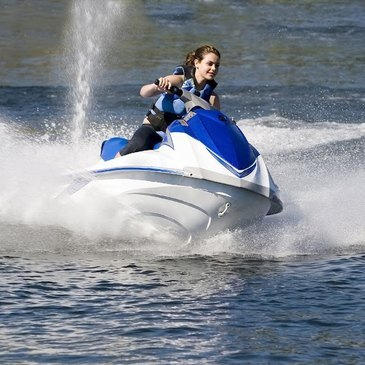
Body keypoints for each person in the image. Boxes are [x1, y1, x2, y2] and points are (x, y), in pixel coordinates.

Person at [115, 44, 221, 157]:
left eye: (217, 65)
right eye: (209, 64)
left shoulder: (212, 98)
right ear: (197, 63)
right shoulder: (179, 80)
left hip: (182, 136)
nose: (213, 68)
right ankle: (116, 162)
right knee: (137, 144)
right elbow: (144, 92)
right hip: (154, 128)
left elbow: (212, 126)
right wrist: (156, 86)